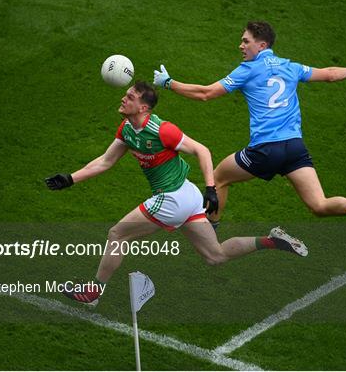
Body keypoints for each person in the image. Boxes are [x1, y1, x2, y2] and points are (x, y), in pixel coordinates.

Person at [45, 81, 308, 307]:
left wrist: (211, 188)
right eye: (125, 95)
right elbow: (105, 161)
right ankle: (272, 241)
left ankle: (94, 292)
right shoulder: (126, 129)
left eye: (130, 98)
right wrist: (70, 179)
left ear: (144, 107)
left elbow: (202, 150)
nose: (123, 99)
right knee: (214, 256)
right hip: (187, 195)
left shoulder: (162, 130)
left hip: (173, 197)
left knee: (117, 233)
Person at [153, 21, 346, 242]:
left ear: (261, 45)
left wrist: (168, 83)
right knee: (319, 205)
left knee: (219, 178)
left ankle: (209, 237)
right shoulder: (290, 66)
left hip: (266, 149)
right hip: (295, 148)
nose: (241, 46)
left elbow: (206, 93)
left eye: (246, 41)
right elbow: (330, 74)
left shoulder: (247, 70)